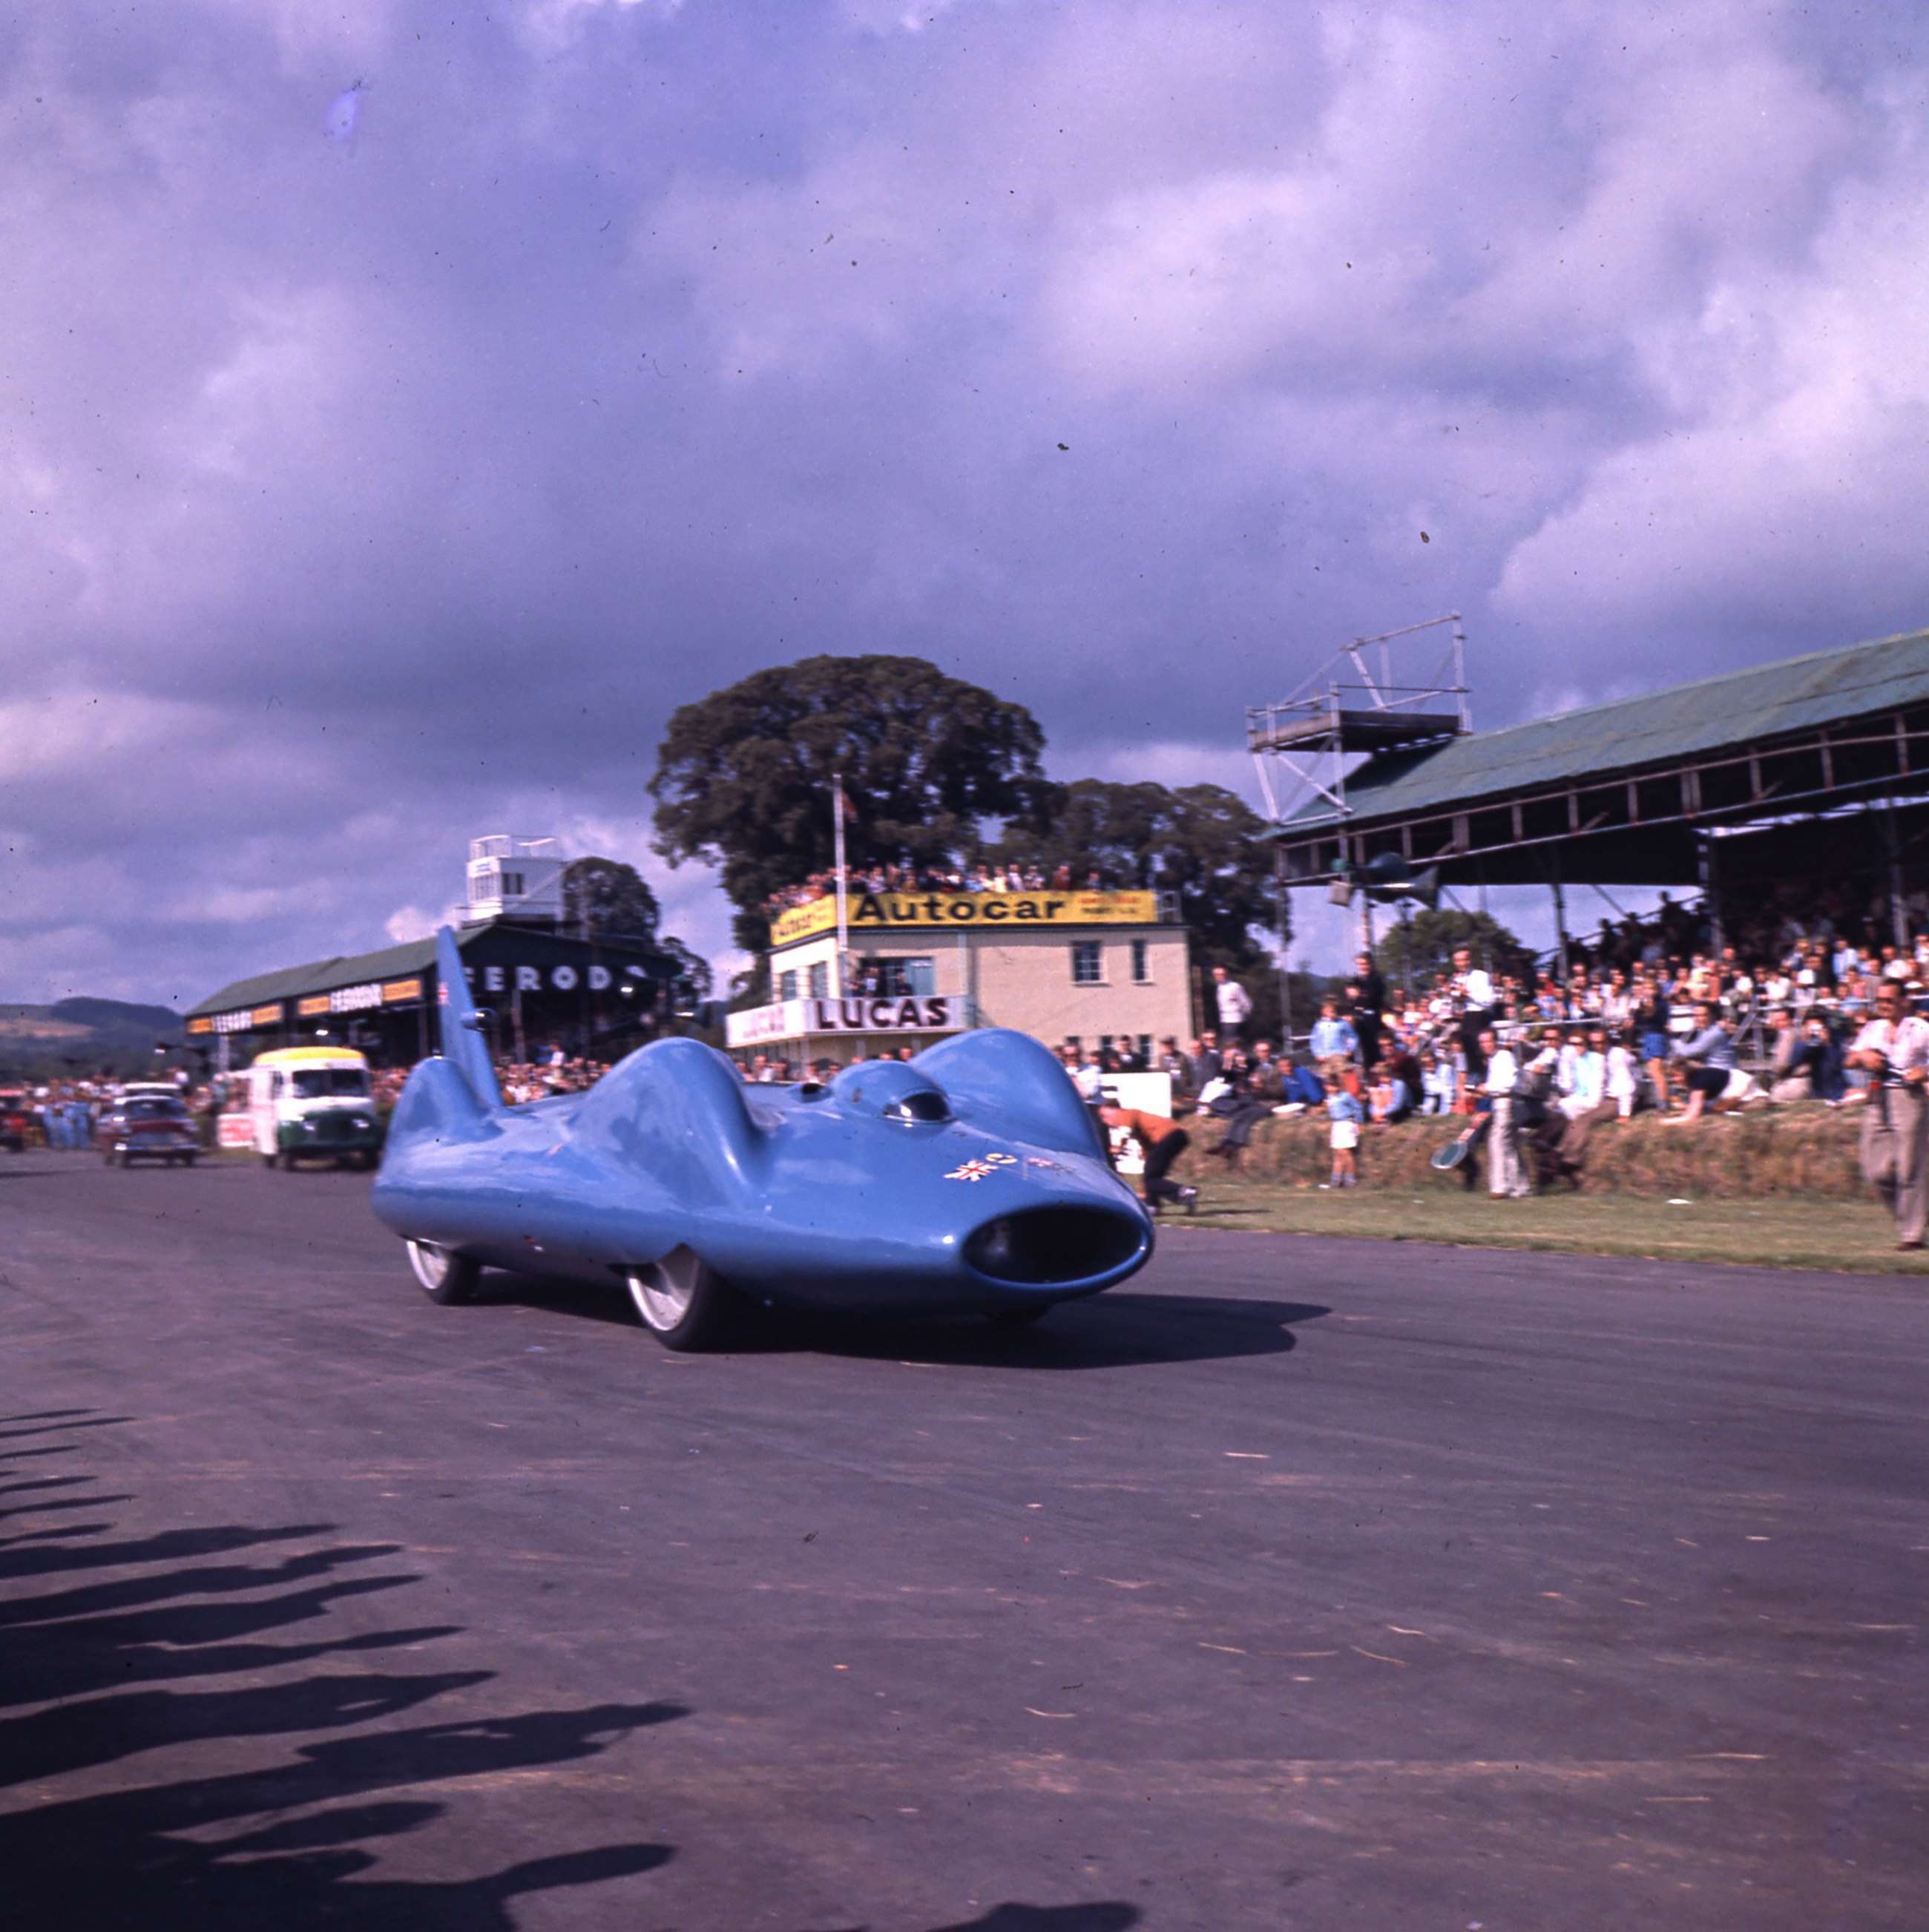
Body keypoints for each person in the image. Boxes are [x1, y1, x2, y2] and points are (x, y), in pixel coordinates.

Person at [1847, 982, 1929, 1250]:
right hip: (1878, 1098)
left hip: (1908, 1097)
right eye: (1880, 1000)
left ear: (1904, 1001)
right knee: (1876, 1171)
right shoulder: (1873, 1029)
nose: (1884, 1005)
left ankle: (1912, 1235)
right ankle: (1911, 1217)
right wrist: (1864, 1056)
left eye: (1890, 1000)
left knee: (1909, 1168)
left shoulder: (1919, 1029)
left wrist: (1924, 1072)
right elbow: (1848, 1060)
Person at [1098, 1103, 1197, 1217]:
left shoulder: (1128, 1114)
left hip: (1170, 1136)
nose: (1104, 1121)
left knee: (1151, 1179)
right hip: (1177, 1138)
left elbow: (1125, 1131)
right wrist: (1144, 1189)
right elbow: (1148, 1151)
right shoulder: (1138, 1127)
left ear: (1114, 1109)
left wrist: (1118, 1146)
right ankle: (1154, 1206)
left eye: (1104, 1116)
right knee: (1152, 1177)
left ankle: (1182, 1192)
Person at [1480, 1025, 1531, 1197]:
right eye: (1482, 1042)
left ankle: (1500, 1187)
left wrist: (1487, 1088)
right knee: (1509, 1147)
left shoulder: (1504, 1057)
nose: (1485, 1045)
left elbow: (1508, 1084)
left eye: (1488, 1041)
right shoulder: (1495, 1059)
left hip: (1507, 1103)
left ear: (1495, 1041)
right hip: (1502, 1103)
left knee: (1497, 1143)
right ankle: (1520, 1187)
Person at [1666, 1004, 1738, 1123]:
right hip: (1715, 1069)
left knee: (1685, 1067)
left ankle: (1689, 1107)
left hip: (1723, 1072)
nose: (1700, 1018)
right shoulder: (1705, 1031)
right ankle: (1685, 1101)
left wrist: (1672, 1038)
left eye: (1704, 1015)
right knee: (1678, 1065)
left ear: (1711, 1016)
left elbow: (1688, 1052)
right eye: (1697, 1015)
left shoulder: (1713, 1033)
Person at [1324, 1076, 1362, 1188]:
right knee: (1337, 1153)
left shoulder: (1345, 1096)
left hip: (1346, 1123)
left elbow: (1357, 1107)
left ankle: (1350, 1179)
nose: (1331, 1089)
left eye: (1334, 1086)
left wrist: (1359, 1122)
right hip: (1336, 1125)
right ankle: (1336, 1179)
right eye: (1329, 1086)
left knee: (1344, 1152)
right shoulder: (1330, 1097)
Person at [1212, 966, 1253, 1045]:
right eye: (1216, 974)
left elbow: (1246, 1003)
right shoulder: (1219, 988)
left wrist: (1245, 1016)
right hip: (1224, 1020)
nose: (1219, 977)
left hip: (1235, 1020)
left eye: (1221, 974)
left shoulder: (1235, 986)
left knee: (1231, 1043)